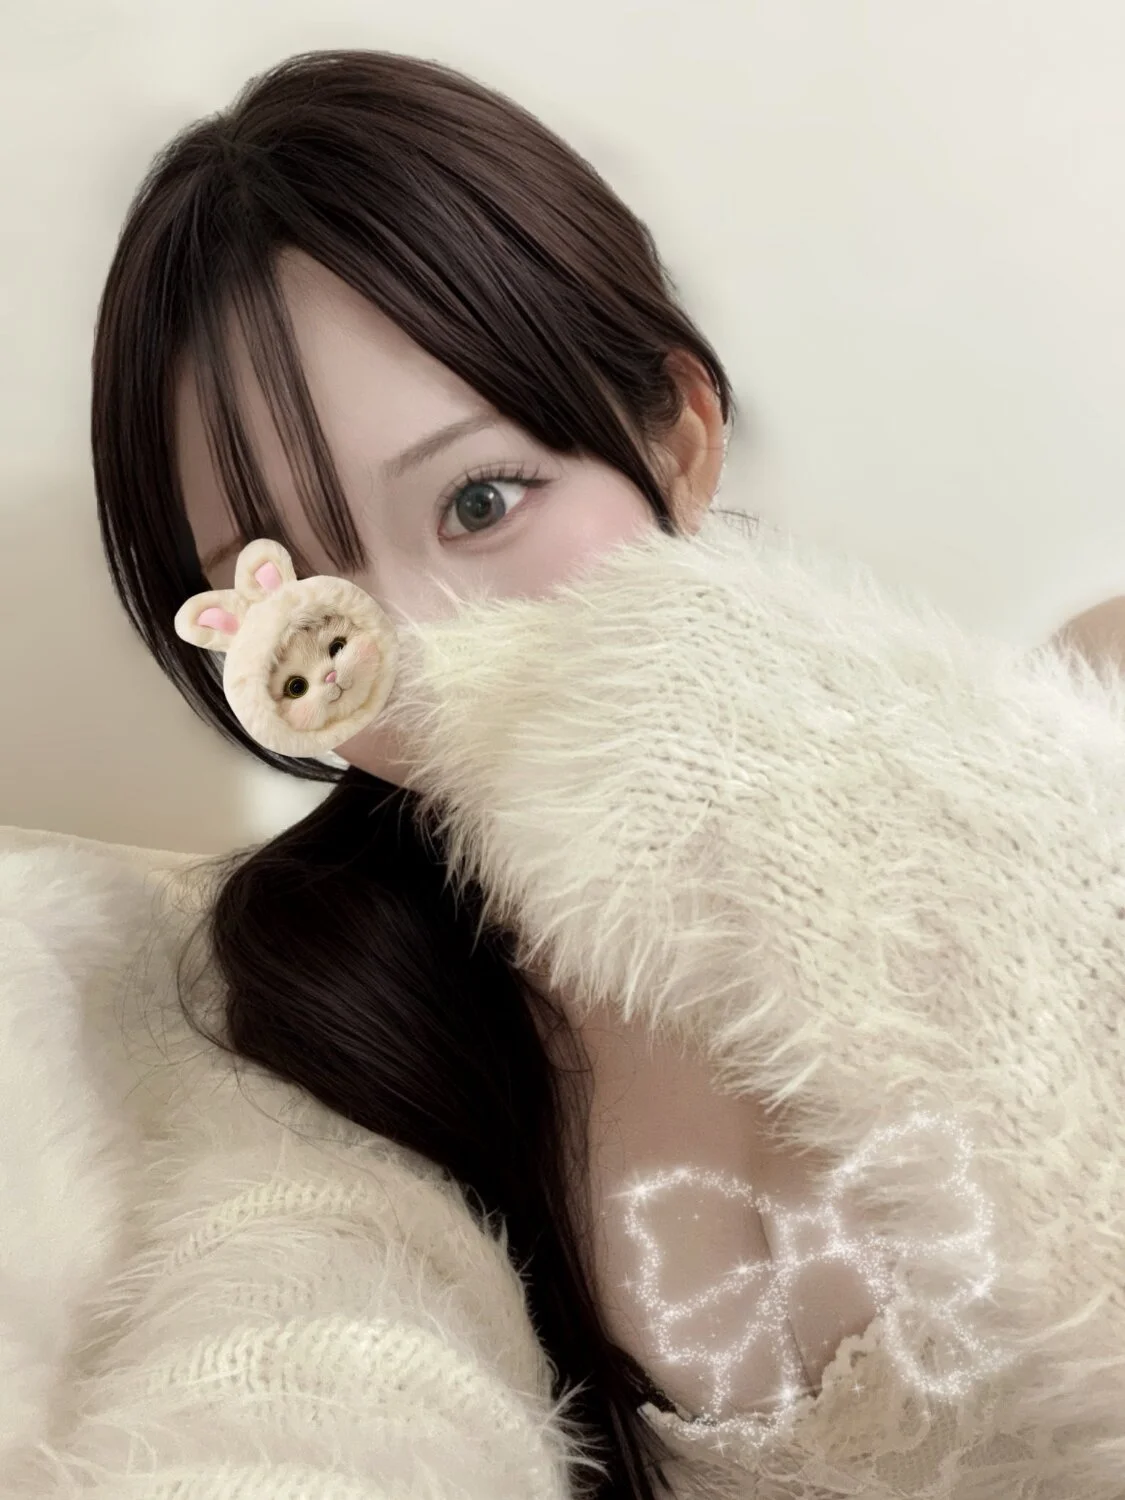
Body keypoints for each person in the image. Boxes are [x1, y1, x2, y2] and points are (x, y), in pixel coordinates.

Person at [88, 46, 1125, 1500]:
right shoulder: (319, 1003)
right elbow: (301, 1366)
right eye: (300, 592)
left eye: (481, 500)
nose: (417, 644)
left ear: (680, 439)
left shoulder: (1075, 738)